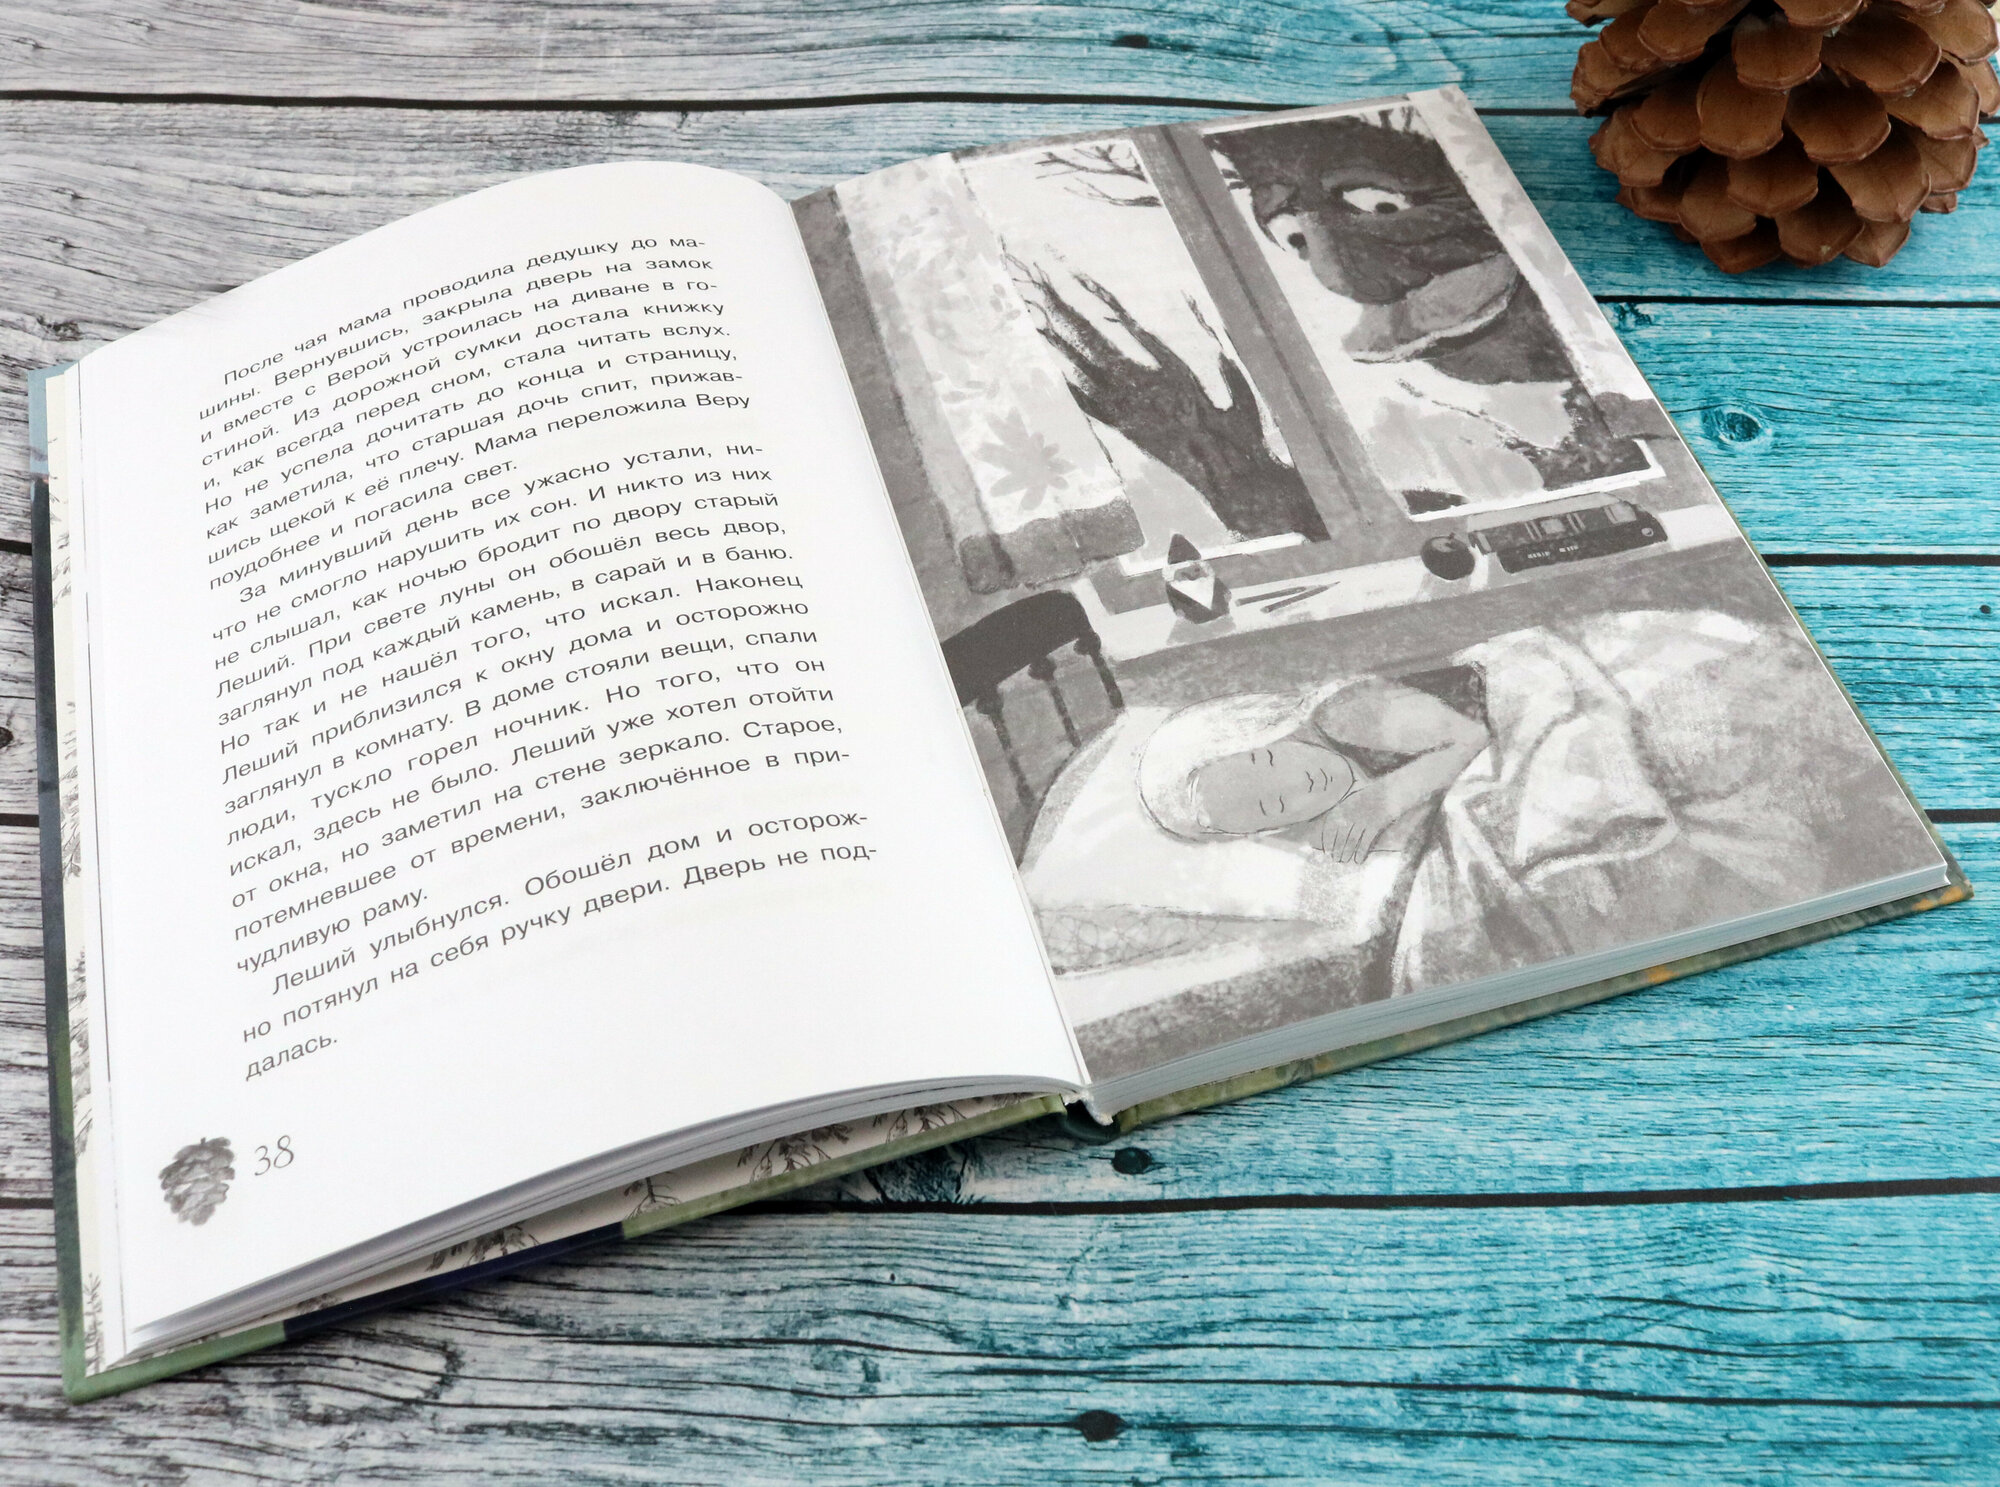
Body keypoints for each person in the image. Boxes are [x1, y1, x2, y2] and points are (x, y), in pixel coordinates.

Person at [1137, 676, 1488, 863]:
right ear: (1272, 828)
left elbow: (1474, 735)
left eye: (1267, 760)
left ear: (1261, 733)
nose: (1298, 783)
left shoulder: (1342, 714)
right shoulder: (1328, 828)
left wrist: (1383, 800)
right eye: (1274, 805)